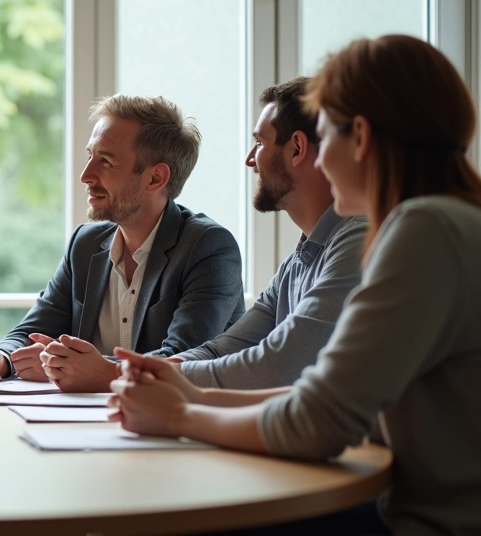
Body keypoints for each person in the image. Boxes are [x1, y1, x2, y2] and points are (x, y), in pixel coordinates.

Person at [110, 35, 481, 534]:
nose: (323, 161)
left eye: (327, 136)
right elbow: (318, 397)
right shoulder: (451, 221)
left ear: (362, 137)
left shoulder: (424, 229)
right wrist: (184, 394)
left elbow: (318, 421)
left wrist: (179, 416)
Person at [45, 78, 367, 392]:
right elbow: (221, 351)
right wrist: (119, 372)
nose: (249, 160)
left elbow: (276, 364)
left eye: (259, 143)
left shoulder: (356, 242)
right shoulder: (297, 264)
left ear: (296, 148)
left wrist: (111, 376)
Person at [0, 95, 245, 389]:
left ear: (155, 178)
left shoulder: (209, 247)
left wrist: (87, 367)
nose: (86, 175)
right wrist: (1, 358)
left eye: (106, 161)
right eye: (90, 156)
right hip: (84, 420)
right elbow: (35, 328)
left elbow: (183, 360)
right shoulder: (85, 243)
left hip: (176, 425)